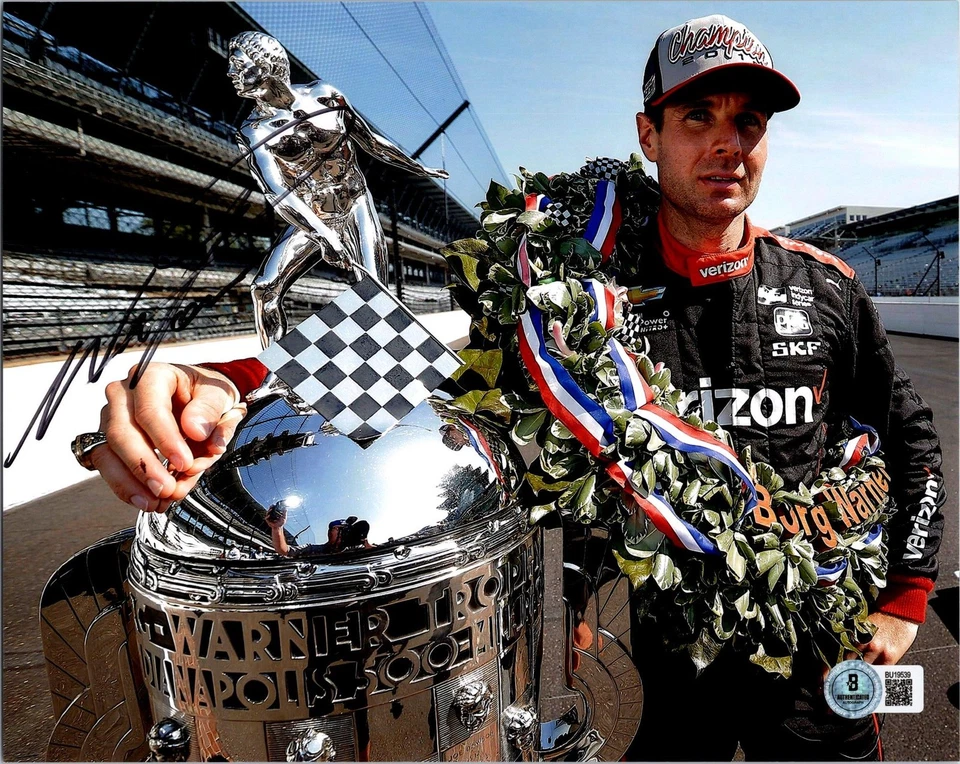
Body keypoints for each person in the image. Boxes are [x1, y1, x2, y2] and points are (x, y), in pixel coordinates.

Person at [76, 14, 943, 760]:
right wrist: (230, 389)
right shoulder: (574, 297)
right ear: (649, 135)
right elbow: (450, 384)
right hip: (668, 661)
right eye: (697, 116)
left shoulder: (829, 286)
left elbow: (911, 441)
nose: (727, 142)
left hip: (824, 650)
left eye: (748, 121)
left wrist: (905, 604)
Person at [228, 32, 448, 397]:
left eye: (239, 64)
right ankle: (278, 374)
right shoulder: (253, 130)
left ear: (265, 65)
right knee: (264, 288)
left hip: (355, 201)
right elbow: (278, 192)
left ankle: (397, 379)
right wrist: (323, 235)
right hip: (312, 215)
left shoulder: (324, 93)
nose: (232, 73)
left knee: (374, 291)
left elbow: (371, 140)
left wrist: (419, 168)